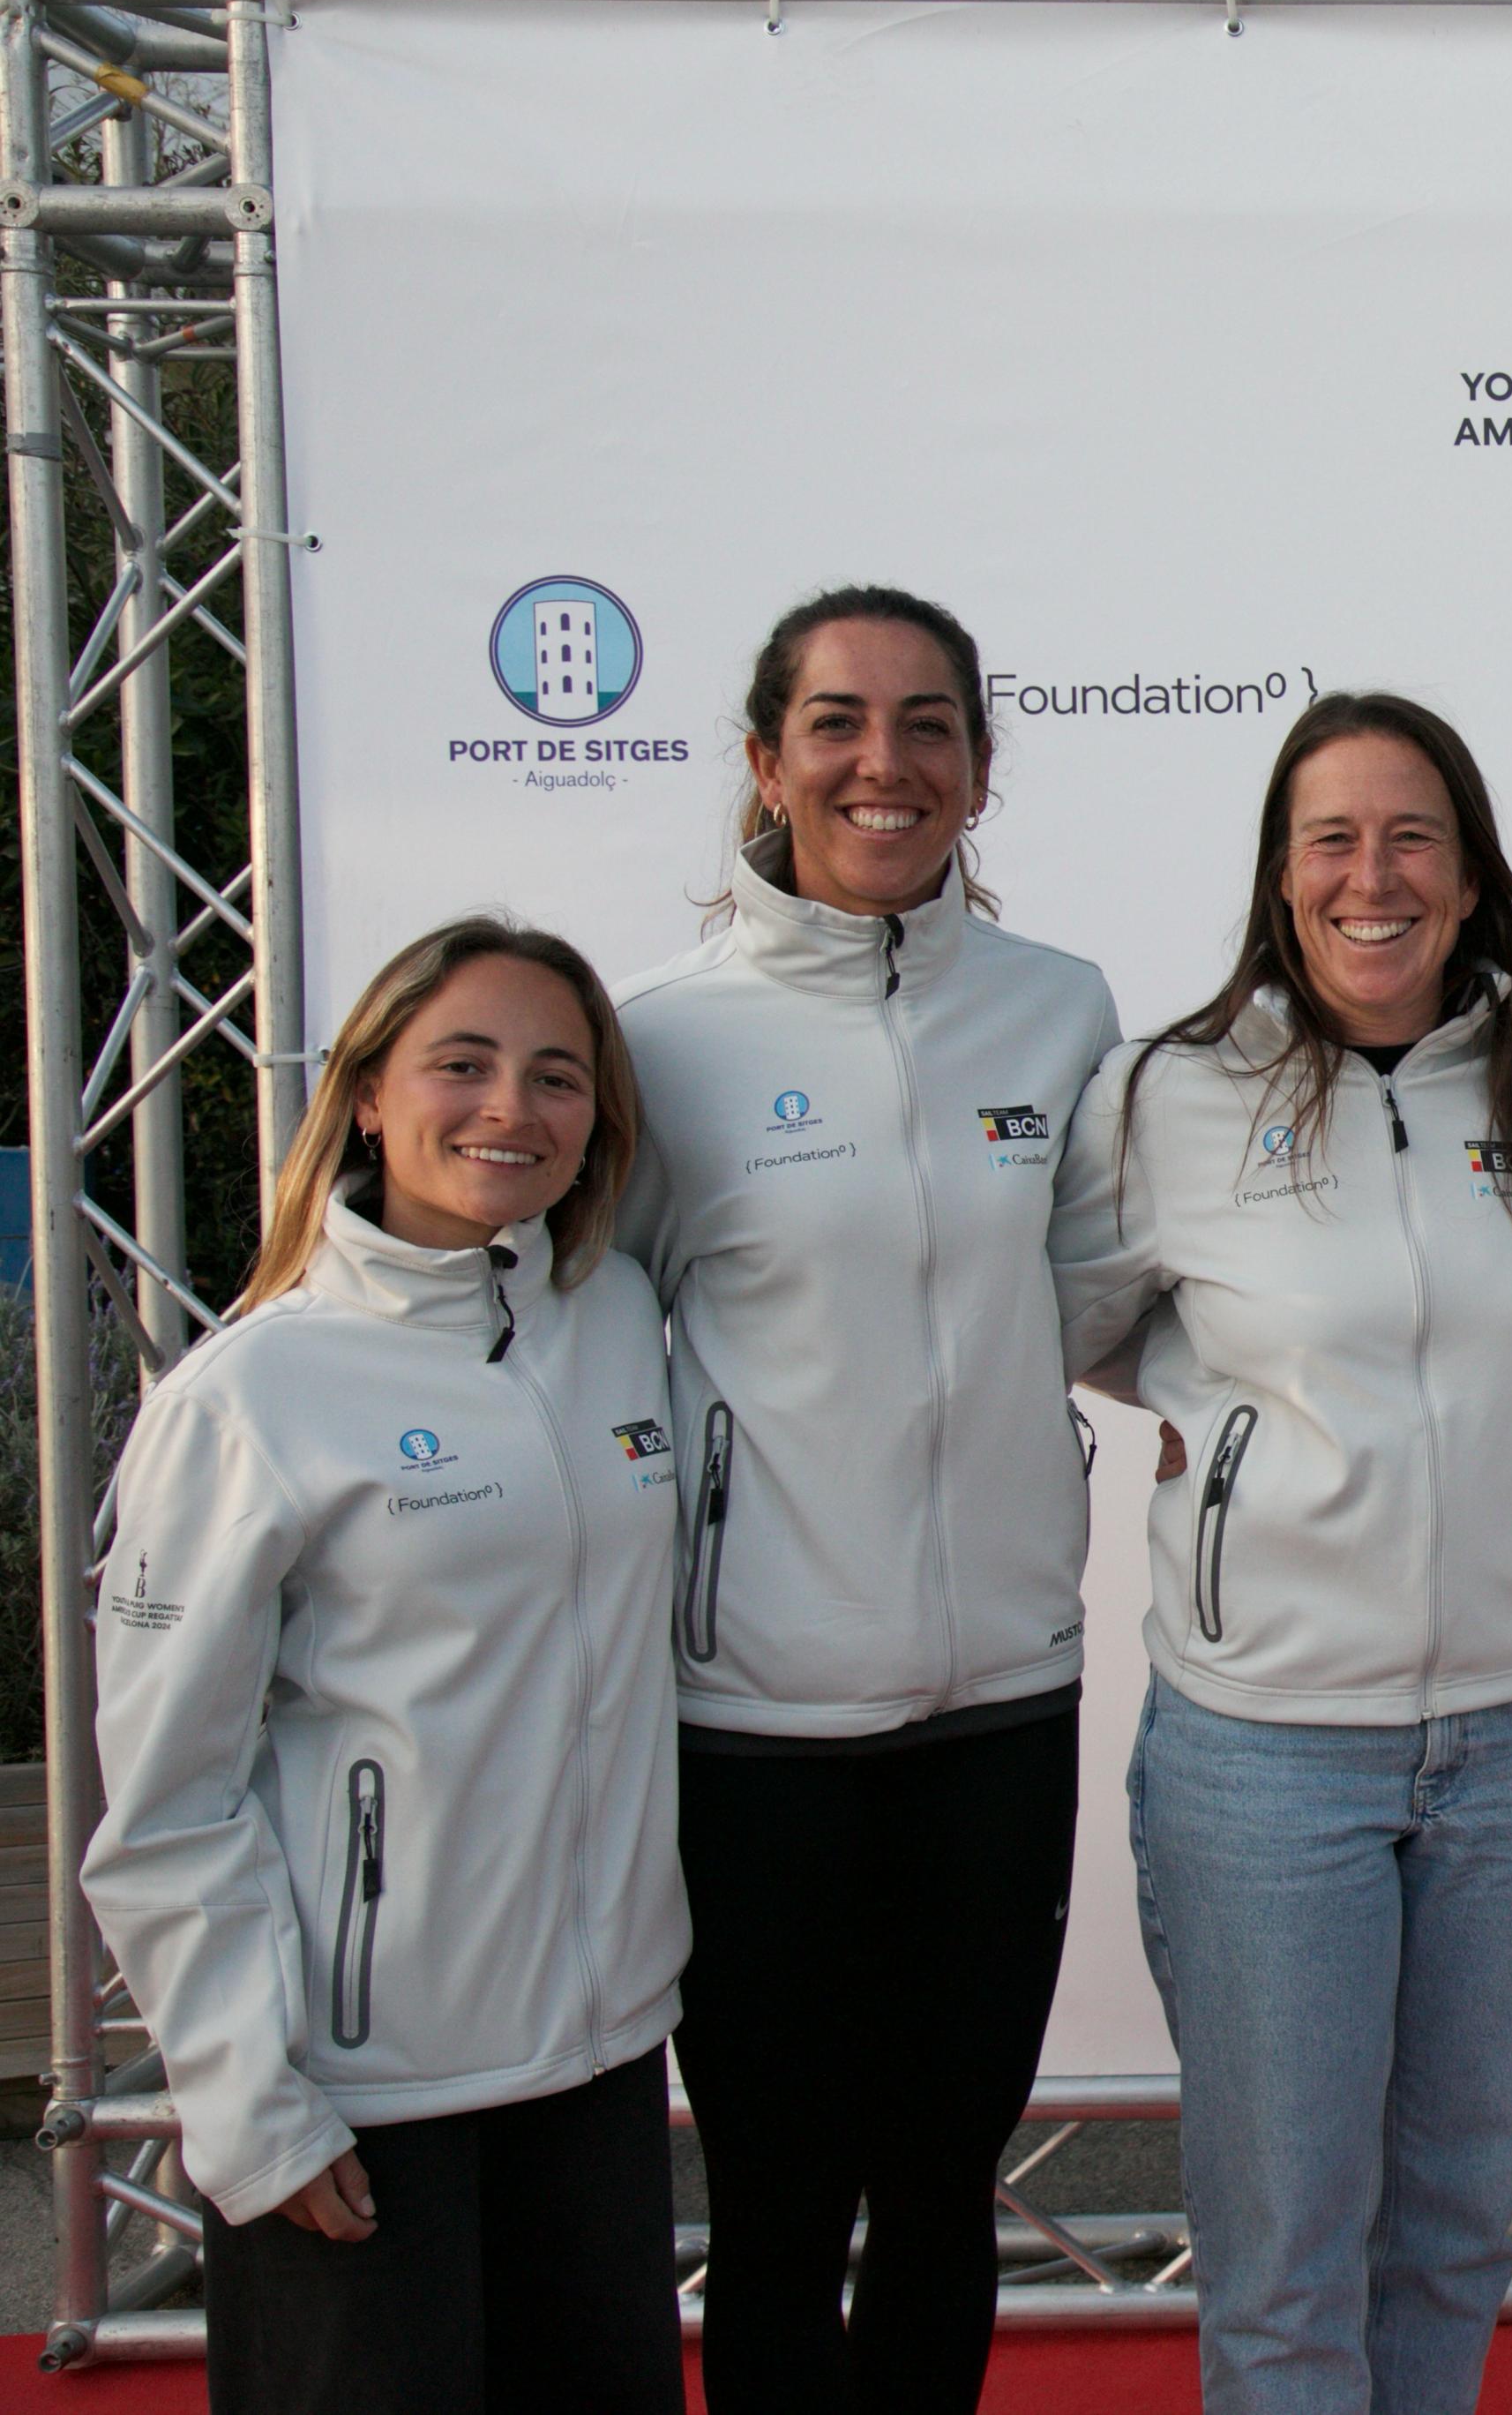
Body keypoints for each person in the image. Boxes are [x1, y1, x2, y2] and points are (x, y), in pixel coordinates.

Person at [1046, 690, 1512, 2415]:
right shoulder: (1166, 1093)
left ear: (1468, 877)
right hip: (1265, 1757)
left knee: (1454, 2224)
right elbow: (1083, 1318)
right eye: (1333, 839)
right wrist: (1224, 1428)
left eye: (1411, 838)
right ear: (1279, 874)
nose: (1371, 875)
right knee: (1291, 2255)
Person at [614, 585, 1123, 2413]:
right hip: (753, 1728)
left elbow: (1115, 1301)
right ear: (766, 756)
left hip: (1001, 1704)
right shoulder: (653, 1037)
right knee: (771, 2202)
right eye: (835, 720)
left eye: (927, 724)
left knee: (939, 2195)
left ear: (979, 769)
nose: (881, 761)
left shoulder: (1059, 1012)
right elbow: (585, 1348)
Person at [86, 918, 685, 2415]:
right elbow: (164, 1797)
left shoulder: (614, 1319)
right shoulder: (253, 1393)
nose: (509, 1108)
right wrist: (249, 2107)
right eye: (462, 1063)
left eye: (558, 1077)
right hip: (359, 2101)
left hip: (596, 2074)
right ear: (365, 1091)